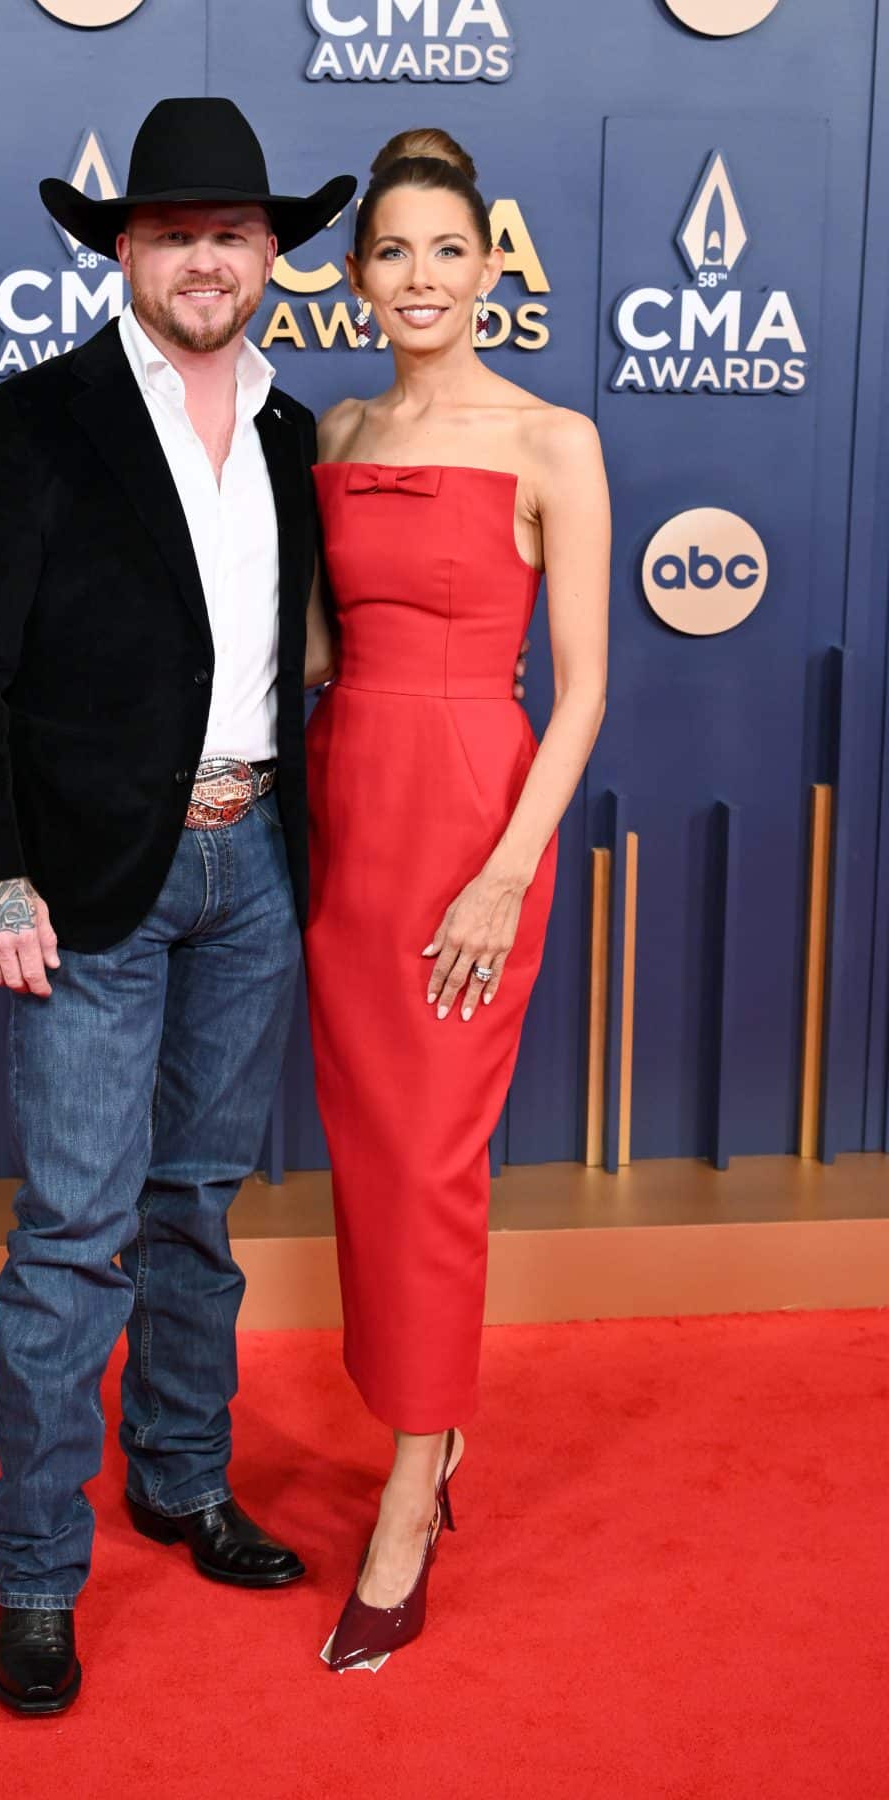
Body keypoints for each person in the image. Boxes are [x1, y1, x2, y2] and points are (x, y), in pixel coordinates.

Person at [0, 97, 360, 1715]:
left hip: (251, 873)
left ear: (271, 256)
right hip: (88, 881)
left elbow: (277, 652)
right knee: (73, 1238)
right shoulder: (27, 426)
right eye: (172, 233)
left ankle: (179, 1479)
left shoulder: (303, 434)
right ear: (124, 251)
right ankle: (38, 1568)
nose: (204, 260)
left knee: (198, 1207)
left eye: (232, 235)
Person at [303, 128, 610, 1671]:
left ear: (491, 268)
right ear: (356, 277)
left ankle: (413, 1490)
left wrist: (503, 868)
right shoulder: (340, 428)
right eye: (391, 253)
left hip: (472, 821)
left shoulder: (554, 439)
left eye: (448, 251)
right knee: (371, 1155)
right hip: (345, 812)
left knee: (431, 1160)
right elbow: (306, 653)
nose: (420, 278)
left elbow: (583, 695)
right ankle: (428, 1432)